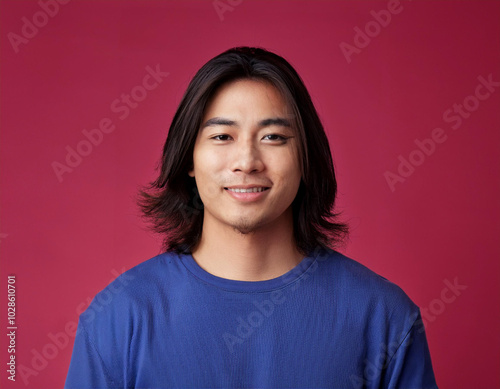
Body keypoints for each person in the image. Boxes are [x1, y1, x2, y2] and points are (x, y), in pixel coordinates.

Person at [65, 47, 437, 388]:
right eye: (223, 136)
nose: (247, 162)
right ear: (189, 159)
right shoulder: (117, 318)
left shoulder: (384, 318)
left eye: (274, 137)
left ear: (306, 158)